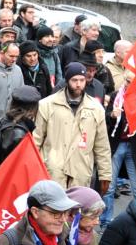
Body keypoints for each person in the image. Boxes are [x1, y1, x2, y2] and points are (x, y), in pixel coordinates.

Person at [33, 63, 112, 191]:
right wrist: (33, 169)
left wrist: (105, 175)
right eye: (74, 80)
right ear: (67, 80)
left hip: (80, 171)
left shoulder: (96, 108)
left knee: (77, 210)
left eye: (82, 80)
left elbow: (102, 145)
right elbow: (36, 139)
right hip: (52, 170)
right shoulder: (47, 104)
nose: (78, 84)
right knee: (52, 208)